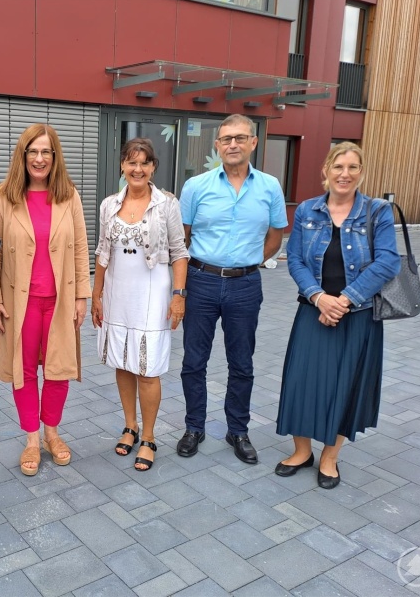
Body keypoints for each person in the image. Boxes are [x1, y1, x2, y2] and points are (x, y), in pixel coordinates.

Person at [275, 142, 400, 489]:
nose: (345, 174)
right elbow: (296, 259)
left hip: (357, 315)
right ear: (326, 171)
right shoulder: (307, 211)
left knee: (344, 387)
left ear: (361, 172)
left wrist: (343, 300)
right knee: (301, 381)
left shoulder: (377, 212)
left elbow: (389, 261)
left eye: (353, 167)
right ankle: (302, 452)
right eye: (339, 167)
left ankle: (330, 457)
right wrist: (318, 298)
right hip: (313, 311)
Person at [178, 114, 287, 464]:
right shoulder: (196, 187)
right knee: (194, 361)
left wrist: (252, 262)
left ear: (253, 142)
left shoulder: (270, 186)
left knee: (242, 362)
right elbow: (183, 237)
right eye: (226, 139)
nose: (233, 145)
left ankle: (237, 430)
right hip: (201, 281)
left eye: (240, 138)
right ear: (217, 145)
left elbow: (275, 235)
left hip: (245, 284)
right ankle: (194, 426)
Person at [0, 124, 91, 476]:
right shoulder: (4, 197)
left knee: (58, 369)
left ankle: (52, 433)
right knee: (24, 370)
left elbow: (79, 248)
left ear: (55, 157)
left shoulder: (69, 195)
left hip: (59, 301)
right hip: (20, 302)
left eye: (47, 151)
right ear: (23, 155)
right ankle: (32, 438)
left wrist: (81, 296)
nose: (40, 158)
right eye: (34, 151)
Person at [91, 138, 189, 471]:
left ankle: (148, 436)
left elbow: (180, 252)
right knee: (122, 360)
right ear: (122, 165)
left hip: (153, 293)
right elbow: (102, 252)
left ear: (153, 168)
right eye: (132, 162)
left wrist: (179, 296)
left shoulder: (167, 204)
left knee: (147, 370)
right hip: (118, 292)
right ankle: (129, 426)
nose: (138, 169)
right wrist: (96, 293)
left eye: (145, 163)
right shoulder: (108, 205)